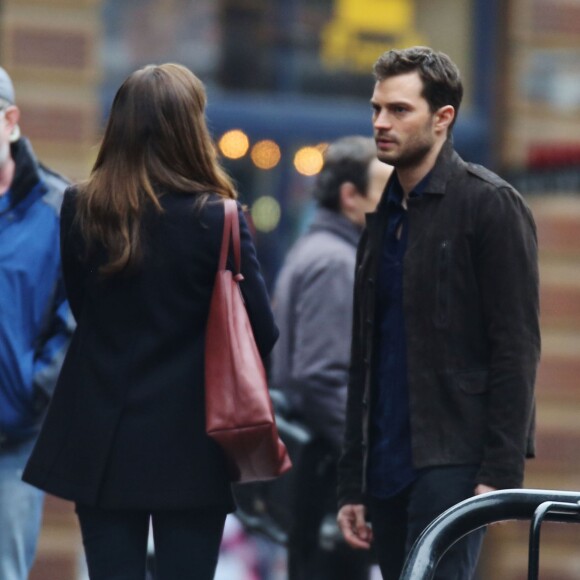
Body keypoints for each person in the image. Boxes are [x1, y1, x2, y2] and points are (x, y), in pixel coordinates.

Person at [23, 63, 278, 579]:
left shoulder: (80, 207)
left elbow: (81, 306)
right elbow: (262, 331)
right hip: (193, 441)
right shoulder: (218, 217)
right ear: (190, 129)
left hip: (102, 437)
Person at [336, 46, 540, 580]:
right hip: (384, 464)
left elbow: (516, 344)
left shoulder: (489, 205)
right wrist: (352, 482)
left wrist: (499, 472)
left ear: (442, 118)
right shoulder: (384, 220)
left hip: (452, 460)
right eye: (377, 108)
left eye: (399, 110)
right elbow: (365, 357)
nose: (381, 122)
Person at [270, 136, 392, 580]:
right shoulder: (337, 262)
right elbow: (321, 379)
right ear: (350, 196)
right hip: (329, 480)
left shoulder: (320, 251)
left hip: (318, 474)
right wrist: (372, 456)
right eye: (384, 190)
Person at [0, 66, 72, 580]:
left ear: (10, 121)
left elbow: (79, 319)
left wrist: (33, 390)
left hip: (14, 438)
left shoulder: (57, 207)